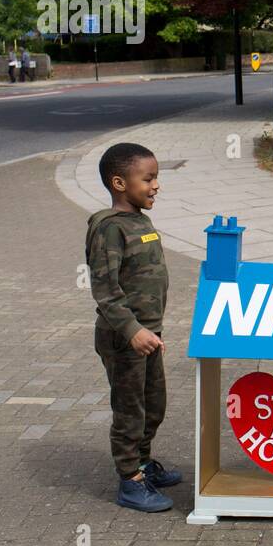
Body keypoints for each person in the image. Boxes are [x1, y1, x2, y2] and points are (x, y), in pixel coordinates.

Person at [86, 142, 181, 512]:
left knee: (154, 405)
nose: (156, 185)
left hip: (148, 335)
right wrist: (133, 330)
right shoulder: (109, 229)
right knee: (130, 410)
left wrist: (151, 332)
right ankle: (130, 480)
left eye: (156, 177)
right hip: (124, 338)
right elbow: (105, 290)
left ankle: (143, 464)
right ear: (119, 183)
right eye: (148, 178)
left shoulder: (140, 219)